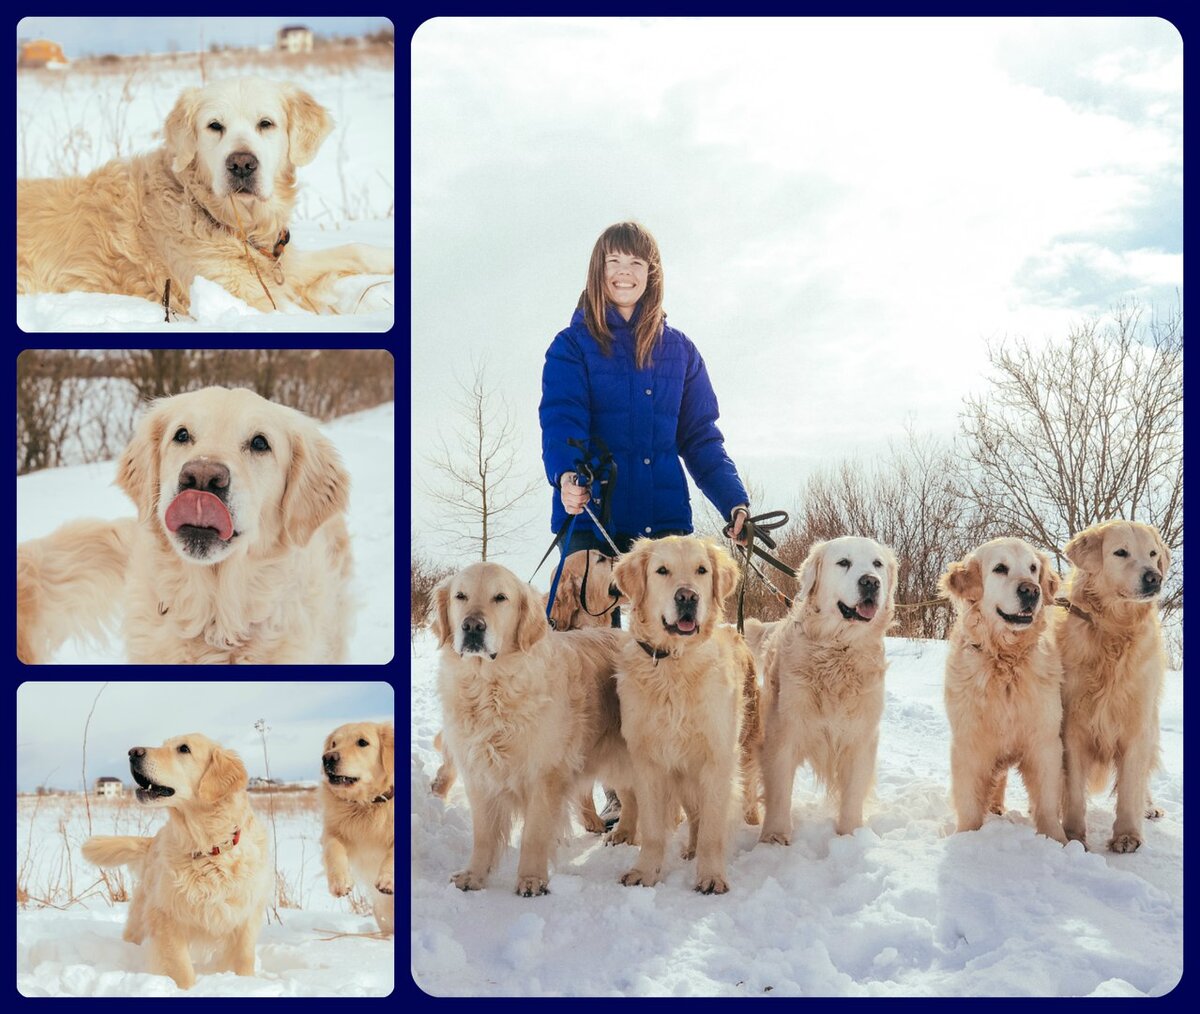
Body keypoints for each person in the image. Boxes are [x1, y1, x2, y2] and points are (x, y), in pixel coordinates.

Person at [539, 222, 752, 824]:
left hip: (663, 526)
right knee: (591, 653)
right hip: (596, 521)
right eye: (614, 262)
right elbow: (562, 420)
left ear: (652, 272)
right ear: (598, 270)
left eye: (636, 263)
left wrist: (733, 502)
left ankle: (663, 768)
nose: (624, 273)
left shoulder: (679, 351)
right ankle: (590, 775)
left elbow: (700, 438)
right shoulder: (573, 345)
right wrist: (567, 476)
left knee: (669, 652)